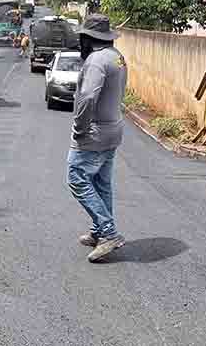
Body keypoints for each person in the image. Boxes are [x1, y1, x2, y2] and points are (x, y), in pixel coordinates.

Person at [66, 14, 128, 263]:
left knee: (77, 178)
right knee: (101, 183)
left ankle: (109, 233)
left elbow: (88, 97)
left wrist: (79, 127)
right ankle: (99, 230)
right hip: (114, 127)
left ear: (88, 38)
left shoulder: (96, 60)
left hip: (95, 131)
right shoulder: (118, 57)